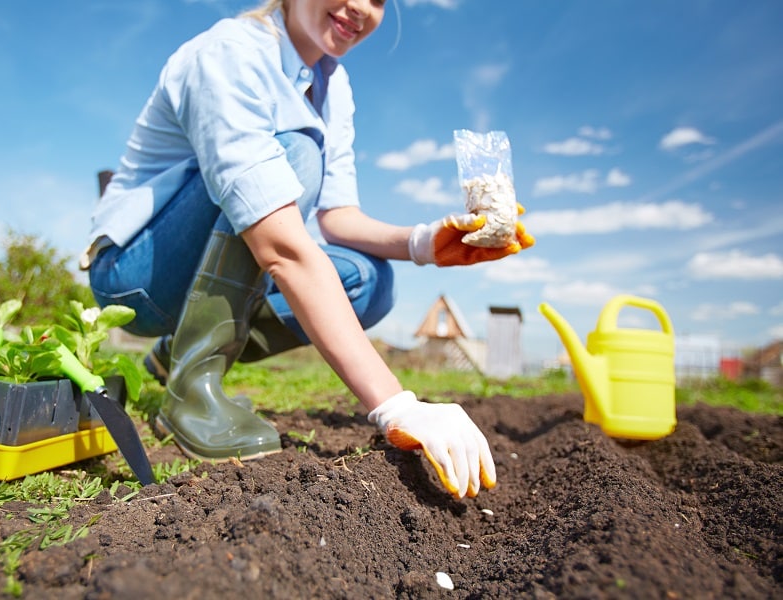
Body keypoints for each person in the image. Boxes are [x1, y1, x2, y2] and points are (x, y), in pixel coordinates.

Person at [82, 0, 534, 500]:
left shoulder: (331, 83)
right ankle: (191, 389)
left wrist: (425, 244)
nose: (361, 7)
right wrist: (397, 406)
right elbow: (280, 246)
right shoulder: (230, 51)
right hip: (136, 275)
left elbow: (338, 219)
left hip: (200, 264)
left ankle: (175, 357)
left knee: (369, 281)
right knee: (295, 149)